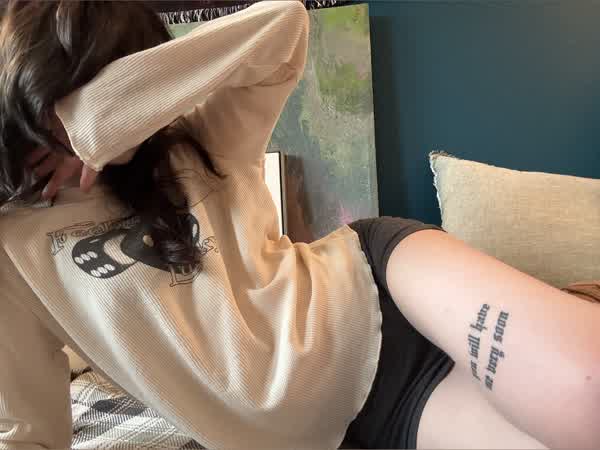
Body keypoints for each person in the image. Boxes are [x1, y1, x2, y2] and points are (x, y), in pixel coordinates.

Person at [0, 1, 598, 449]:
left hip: (377, 287)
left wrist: (97, 123)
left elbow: (284, 25)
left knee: (589, 399)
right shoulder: (12, 246)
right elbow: (28, 428)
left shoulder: (200, 142)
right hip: (370, 415)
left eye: (113, 82)